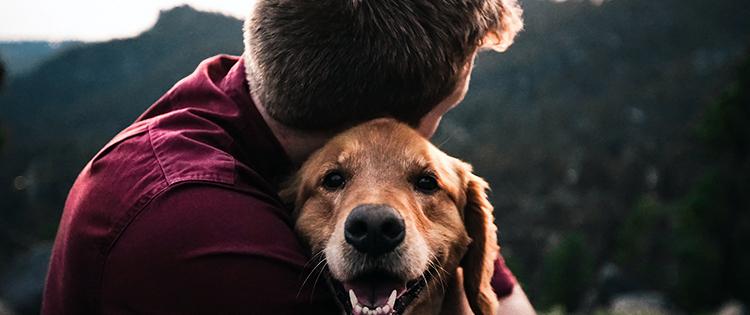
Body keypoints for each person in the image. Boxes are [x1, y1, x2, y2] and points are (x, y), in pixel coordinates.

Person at [42, 0, 534, 314]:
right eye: (442, 112)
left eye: (422, 180)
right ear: (378, 123)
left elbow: (504, 300)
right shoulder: (201, 231)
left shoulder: (248, 93)